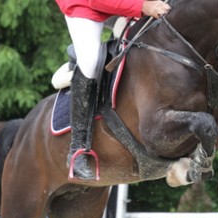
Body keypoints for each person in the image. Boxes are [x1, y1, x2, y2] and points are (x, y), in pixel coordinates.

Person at [55, 0, 171, 180]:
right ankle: (77, 150)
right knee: (90, 62)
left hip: (122, 4)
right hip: (84, 5)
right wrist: (143, 6)